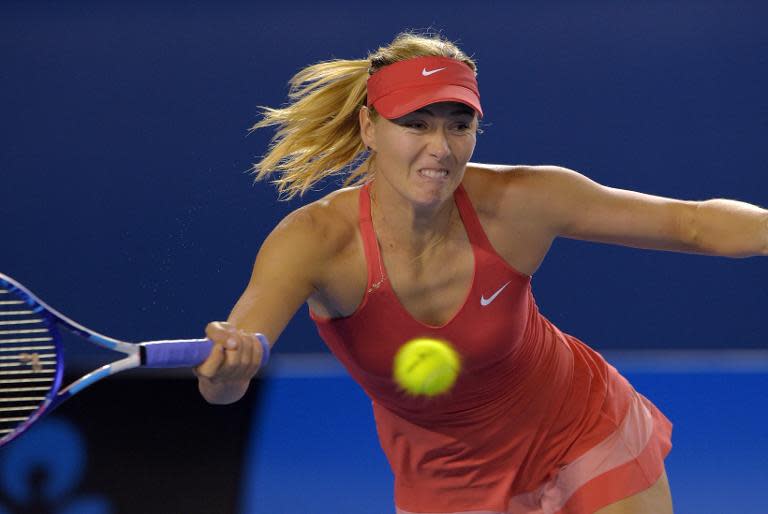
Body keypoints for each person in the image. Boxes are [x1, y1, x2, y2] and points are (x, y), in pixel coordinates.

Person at [194, 31, 767, 514]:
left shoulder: (518, 201)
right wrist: (229, 368)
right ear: (370, 128)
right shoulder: (315, 241)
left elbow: (692, 225)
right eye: (416, 124)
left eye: (458, 124)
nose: (440, 147)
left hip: (580, 427)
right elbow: (226, 379)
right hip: (448, 484)